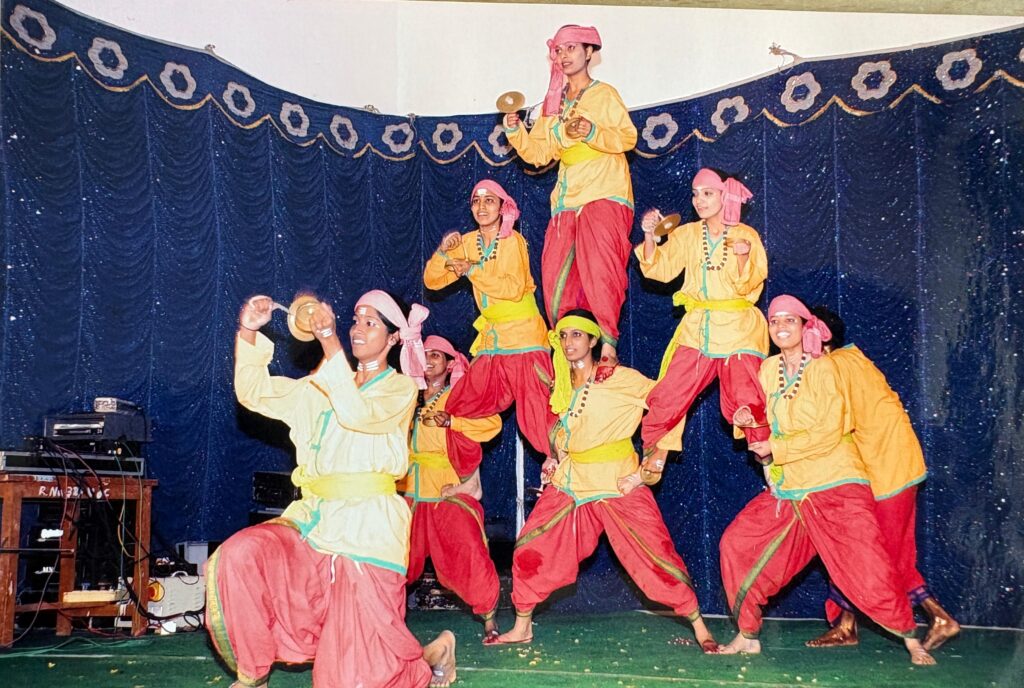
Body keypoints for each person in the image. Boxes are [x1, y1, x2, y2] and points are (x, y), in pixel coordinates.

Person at [206, 291, 458, 687]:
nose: (358, 329)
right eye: (355, 320)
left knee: (351, 681)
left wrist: (328, 341)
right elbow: (254, 393)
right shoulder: (318, 387)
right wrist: (249, 331)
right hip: (314, 524)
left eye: (371, 323)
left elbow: (356, 413)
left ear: (394, 338)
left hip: (367, 532)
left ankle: (430, 655)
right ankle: (253, 676)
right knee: (241, 555)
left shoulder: (400, 390)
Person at [720, 295, 936, 665]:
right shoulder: (768, 370)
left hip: (835, 482)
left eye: (790, 320)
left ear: (806, 327)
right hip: (791, 486)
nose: (781, 327)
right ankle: (748, 634)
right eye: (775, 321)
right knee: (737, 544)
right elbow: (764, 417)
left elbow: (829, 429)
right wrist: (747, 422)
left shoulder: (824, 368)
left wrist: (777, 447)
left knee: (866, 564)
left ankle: (910, 639)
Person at [491, 310, 719, 653]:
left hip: (616, 481)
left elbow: (669, 403)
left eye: (577, 335)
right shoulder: (561, 385)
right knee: (531, 548)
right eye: (563, 335)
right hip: (572, 481)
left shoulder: (619, 377)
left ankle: (699, 625)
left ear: (594, 339)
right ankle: (522, 627)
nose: (568, 342)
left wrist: (651, 464)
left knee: (653, 555)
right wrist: (555, 458)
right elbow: (566, 432)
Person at [802, 307, 959, 651]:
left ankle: (938, 617)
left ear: (819, 338)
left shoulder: (833, 367)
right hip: (895, 465)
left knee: (877, 555)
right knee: (866, 549)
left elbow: (835, 424)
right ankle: (846, 625)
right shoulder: (851, 358)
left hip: (885, 470)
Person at [503, 24, 637, 369]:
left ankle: (607, 347)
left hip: (605, 190)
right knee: (554, 278)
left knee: (601, 271)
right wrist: (516, 131)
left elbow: (627, 137)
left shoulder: (603, 94)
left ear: (589, 52)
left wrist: (591, 131)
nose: (563, 56)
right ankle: (569, 354)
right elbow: (539, 154)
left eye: (572, 48)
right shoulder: (553, 103)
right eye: (559, 50)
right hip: (567, 198)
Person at [634, 168, 770, 484]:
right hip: (698, 327)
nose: (699, 200)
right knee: (669, 393)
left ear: (726, 194)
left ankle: (770, 462)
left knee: (746, 396)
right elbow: (660, 271)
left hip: (739, 328)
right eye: (695, 194)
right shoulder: (688, 234)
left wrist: (741, 257)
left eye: (707, 193)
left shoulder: (746, 234)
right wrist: (650, 237)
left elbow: (750, 282)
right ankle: (655, 454)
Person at [423, 179, 555, 477]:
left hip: (523, 338)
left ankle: (559, 464)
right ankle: (469, 481)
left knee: (536, 414)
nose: (481, 207)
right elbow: (432, 281)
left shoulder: (512, 241)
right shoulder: (468, 242)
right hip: (493, 342)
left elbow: (513, 288)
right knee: (459, 406)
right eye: (476, 201)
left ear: (502, 207)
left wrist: (472, 269)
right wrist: (443, 253)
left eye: (489, 200)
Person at [397, 334, 504, 642]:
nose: (429, 360)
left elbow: (492, 424)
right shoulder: (408, 396)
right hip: (411, 491)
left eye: (436, 355)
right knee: (395, 557)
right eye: (425, 354)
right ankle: (385, 619)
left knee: (467, 552)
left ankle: (489, 619)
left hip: (447, 490)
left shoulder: (457, 397)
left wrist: (452, 422)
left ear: (449, 365)